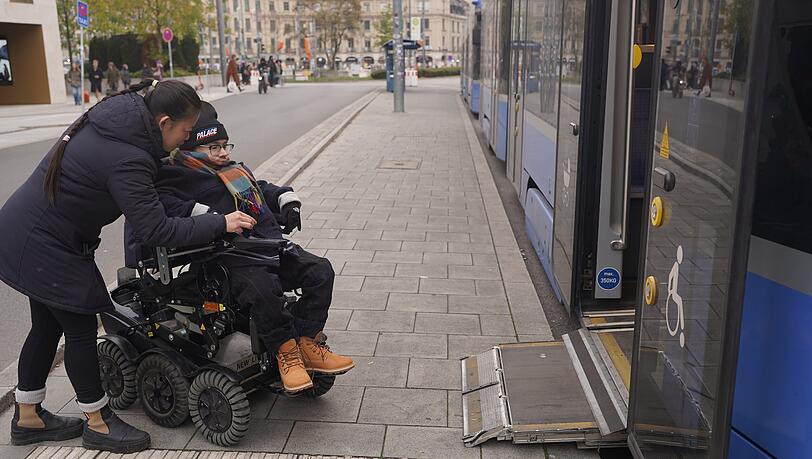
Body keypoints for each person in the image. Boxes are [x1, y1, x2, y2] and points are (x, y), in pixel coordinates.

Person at [0, 80, 256, 454]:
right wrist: (220, 222)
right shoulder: (128, 157)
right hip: (46, 242)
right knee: (80, 327)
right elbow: (155, 228)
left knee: (47, 324)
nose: (186, 139)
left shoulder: (120, 120)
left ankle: (28, 418)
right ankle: (98, 423)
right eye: (185, 131)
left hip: (27, 229)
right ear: (164, 122)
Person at [138, 102, 355, 393]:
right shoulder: (176, 177)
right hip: (228, 258)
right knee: (263, 289)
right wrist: (211, 218)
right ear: (190, 150)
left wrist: (285, 200)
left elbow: (260, 188)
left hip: (267, 246)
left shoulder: (234, 170)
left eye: (225, 145)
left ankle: (307, 343)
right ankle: (286, 352)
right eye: (213, 147)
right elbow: (167, 208)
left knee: (320, 271)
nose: (223, 153)